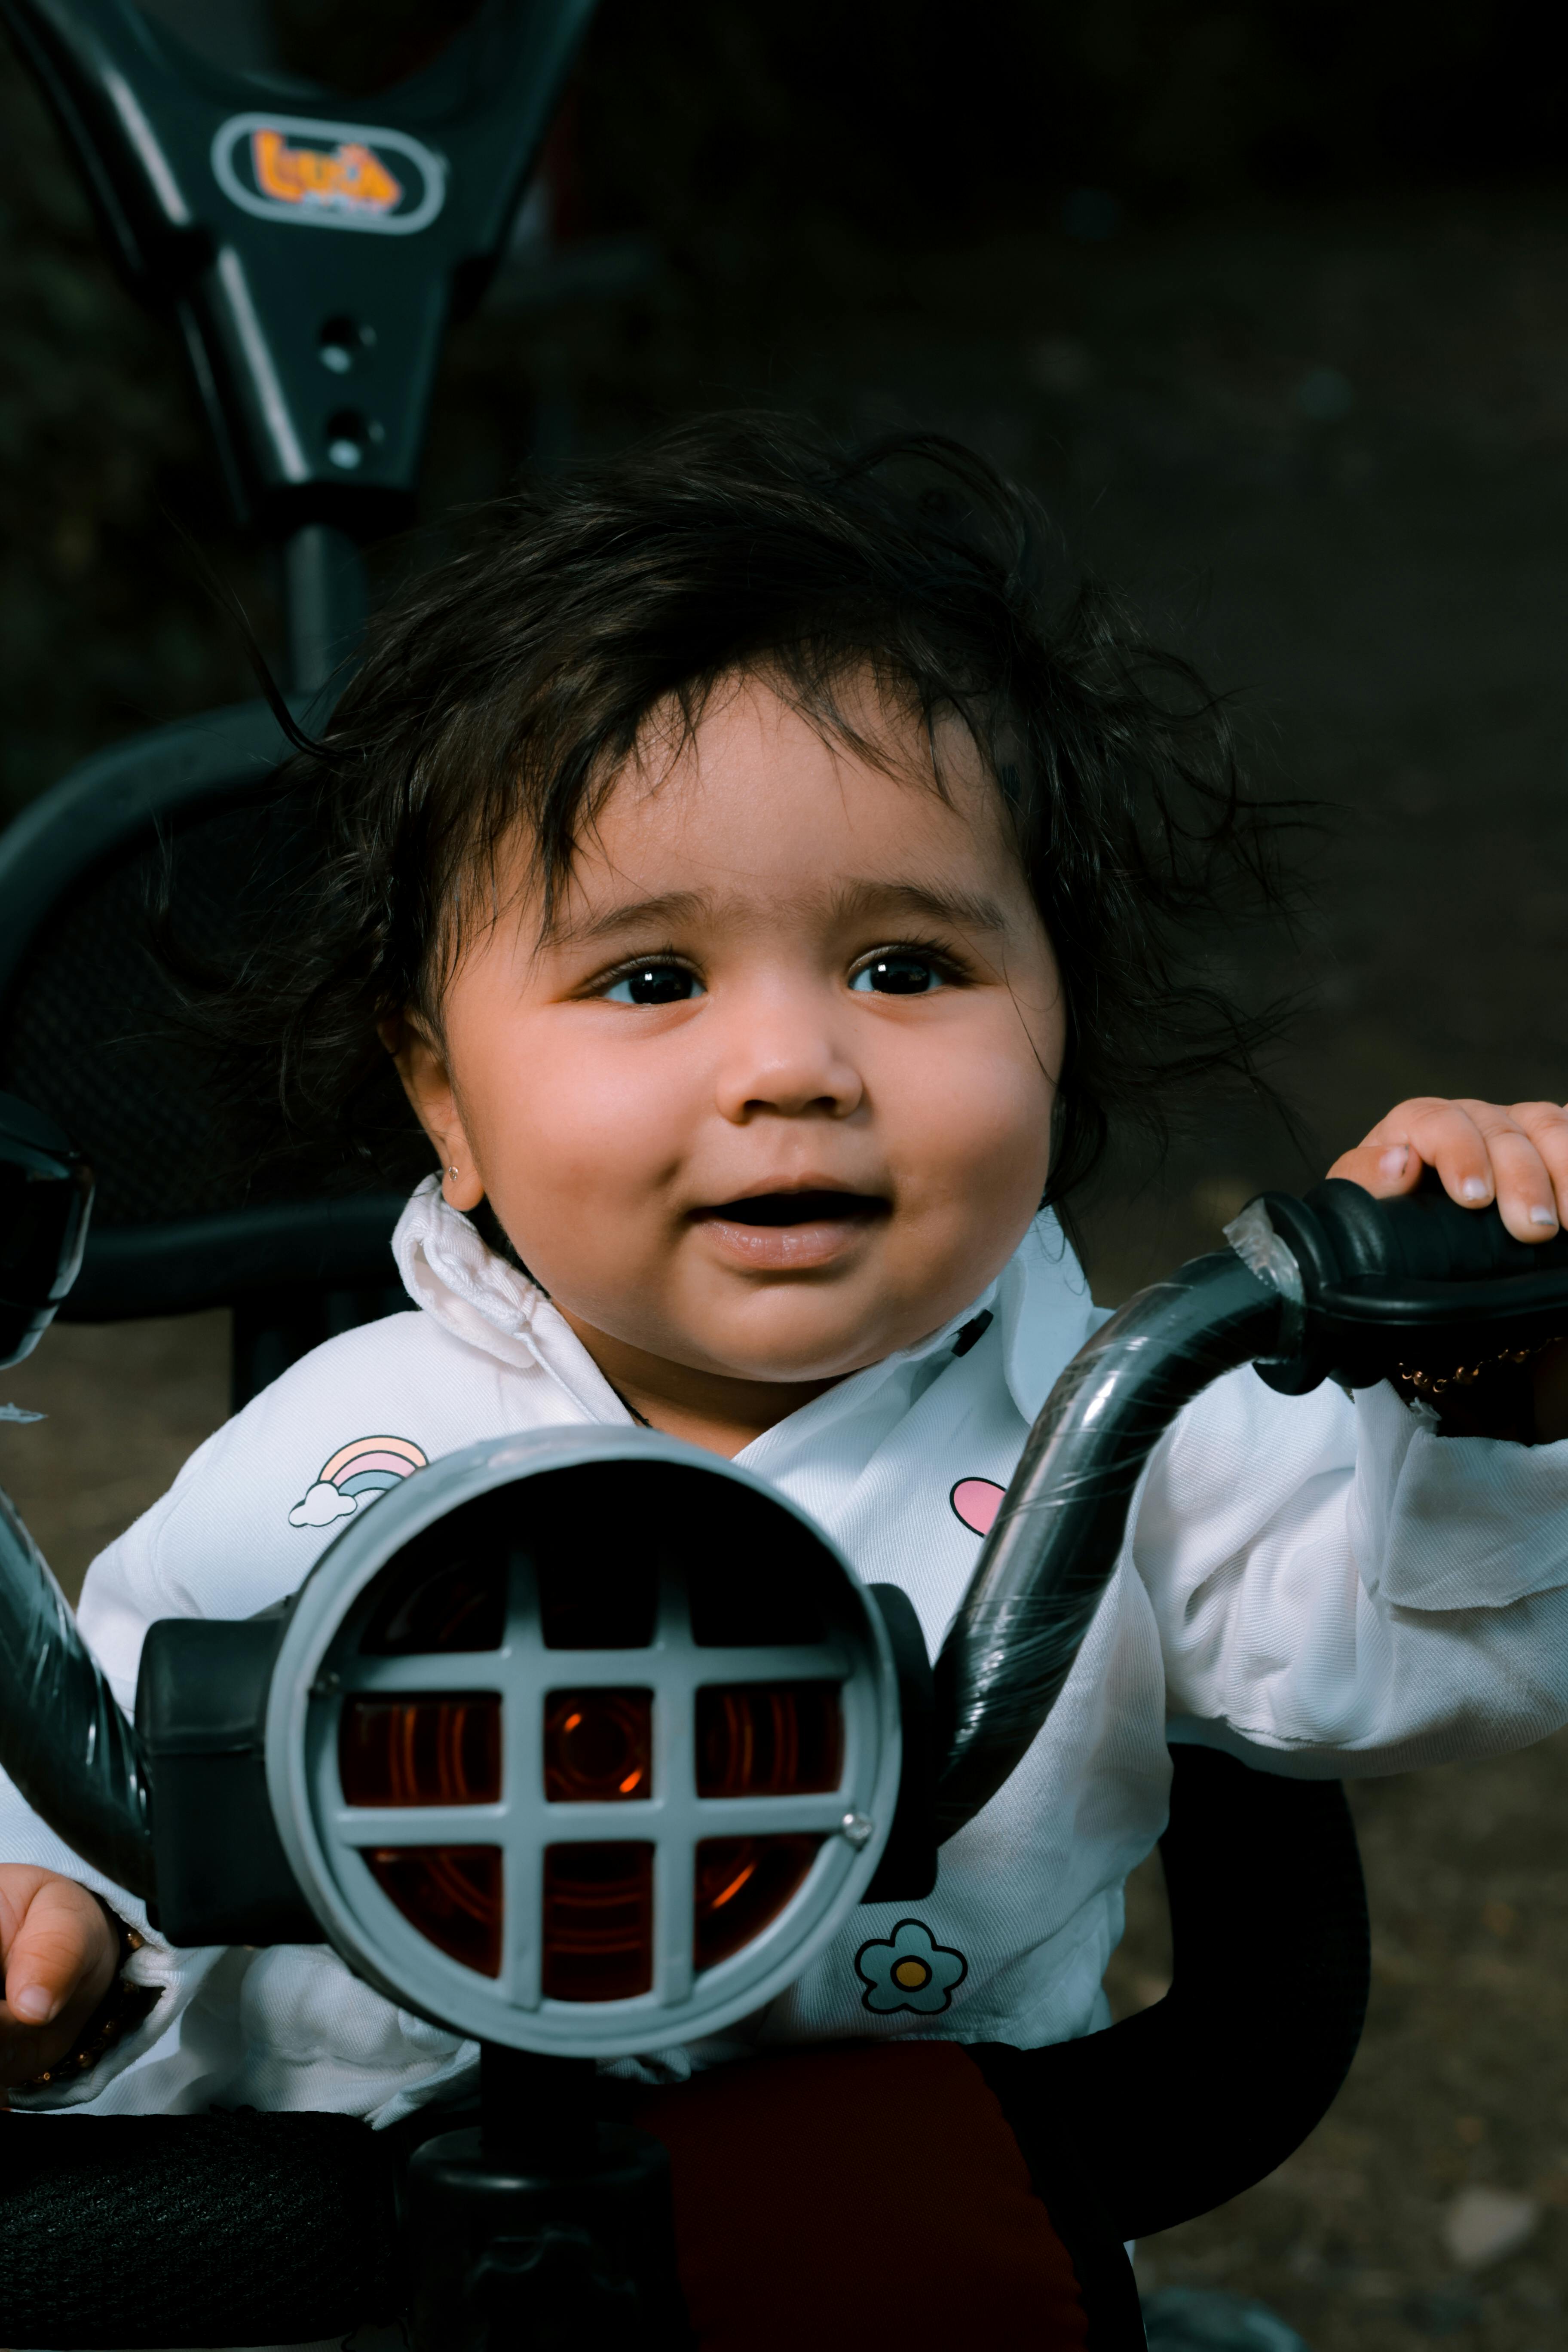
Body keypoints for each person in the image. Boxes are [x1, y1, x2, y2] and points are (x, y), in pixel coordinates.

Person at [4, 416, 1568, 2345]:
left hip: (903, 2249)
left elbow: (1401, 1639)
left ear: (1057, 1025)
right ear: (446, 1099)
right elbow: (91, 1760)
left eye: (908, 967)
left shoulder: (1124, 1429)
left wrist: (1482, 1390)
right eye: (651, 981)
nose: (795, 1065)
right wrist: (57, 1932)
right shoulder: (333, 1452)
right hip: (361, 2255)